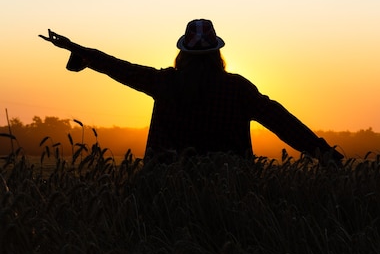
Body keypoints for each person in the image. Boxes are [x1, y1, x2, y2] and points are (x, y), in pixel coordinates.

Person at [39, 19, 343, 163]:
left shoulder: (166, 83)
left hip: (164, 194)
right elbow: (282, 121)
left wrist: (76, 49)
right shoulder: (238, 89)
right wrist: (322, 152)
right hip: (230, 198)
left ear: (182, 54)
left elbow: (118, 67)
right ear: (217, 55)